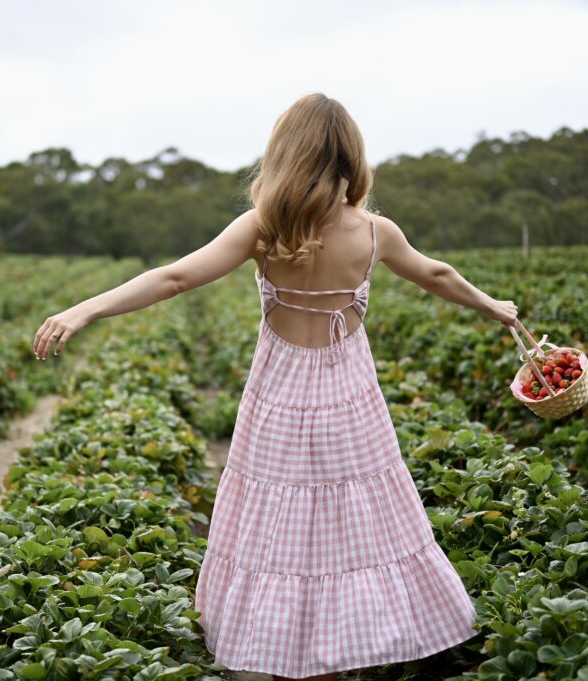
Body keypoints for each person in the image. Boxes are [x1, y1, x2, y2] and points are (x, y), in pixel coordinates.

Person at [32, 93, 517, 680]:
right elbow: (436, 274)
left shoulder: (265, 229)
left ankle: (288, 653)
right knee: (352, 523)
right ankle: (345, 649)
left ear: (285, 156)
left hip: (279, 400)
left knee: (279, 526)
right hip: (349, 403)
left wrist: (85, 310)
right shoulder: (374, 231)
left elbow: (175, 277)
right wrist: (494, 307)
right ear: (351, 160)